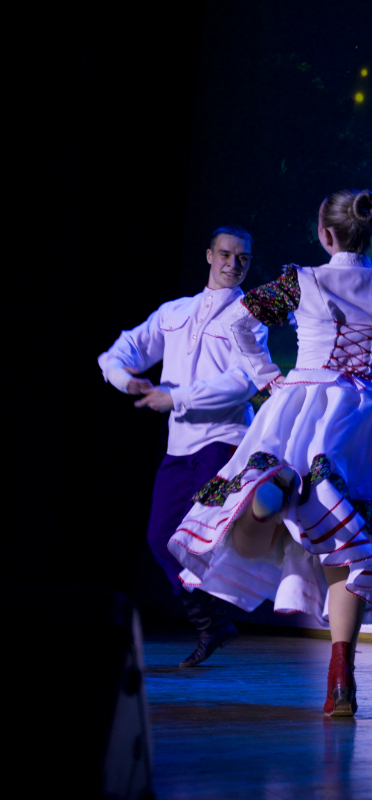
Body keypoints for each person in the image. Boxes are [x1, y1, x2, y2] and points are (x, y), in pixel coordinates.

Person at [168, 190, 372, 714]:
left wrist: (267, 377)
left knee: (249, 530)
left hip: (305, 406)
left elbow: (237, 322)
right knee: (349, 552)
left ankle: (269, 498)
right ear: (367, 234)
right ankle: (341, 681)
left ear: (326, 234)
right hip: (370, 421)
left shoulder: (302, 281)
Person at [98, 225, 270, 666]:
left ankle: (230, 605)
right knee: (161, 537)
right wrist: (125, 379)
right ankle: (210, 622)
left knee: (202, 537)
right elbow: (123, 350)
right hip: (180, 448)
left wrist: (177, 398)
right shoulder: (175, 312)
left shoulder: (249, 317)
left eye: (243, 258)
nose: (234, 264)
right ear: (209, 256)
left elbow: (243, 382)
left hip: (224, 442)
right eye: (226, 254)